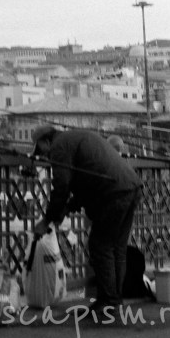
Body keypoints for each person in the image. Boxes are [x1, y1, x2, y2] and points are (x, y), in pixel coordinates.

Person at [32, 125, 141, 312]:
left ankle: (108, 301)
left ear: (46, 141)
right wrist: (66, 208)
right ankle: (115, 300)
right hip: (132, 187)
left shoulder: (59, 146)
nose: (43, 156)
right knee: (117, 248)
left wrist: (46, 221)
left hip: (114, 193)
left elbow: (62, 186)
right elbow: (87, 183)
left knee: (100, 245)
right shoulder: (74, 138)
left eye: (40, 149)